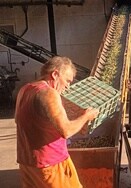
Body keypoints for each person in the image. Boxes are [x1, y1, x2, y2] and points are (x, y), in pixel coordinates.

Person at [15, 56, 99, 188]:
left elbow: (22, 120)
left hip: (27, 163)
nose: (68, 86)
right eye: (67, 81)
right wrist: (86, 117)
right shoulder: (49, 93)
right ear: (54, 74)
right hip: (51, 164)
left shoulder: (25, 89)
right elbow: (66, 131)